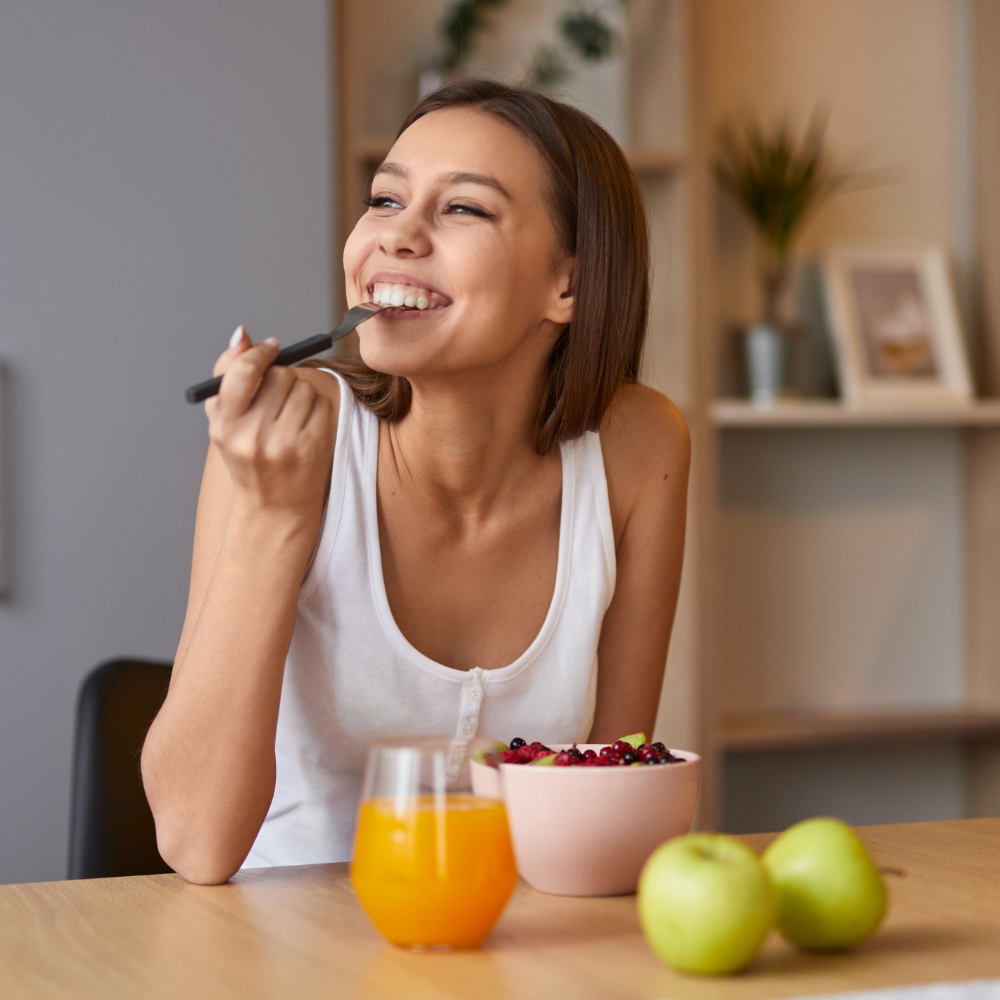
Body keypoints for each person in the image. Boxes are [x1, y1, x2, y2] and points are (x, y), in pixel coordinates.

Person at [141, 79, 690, 885]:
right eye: (384, 198)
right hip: (275, 949)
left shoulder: (640, 448)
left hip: (509, 943)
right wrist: (274, 516)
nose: (395, 237)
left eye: (462, 208)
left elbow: (601, 809)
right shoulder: (288, 441)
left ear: (567, 285)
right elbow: (194, 843)